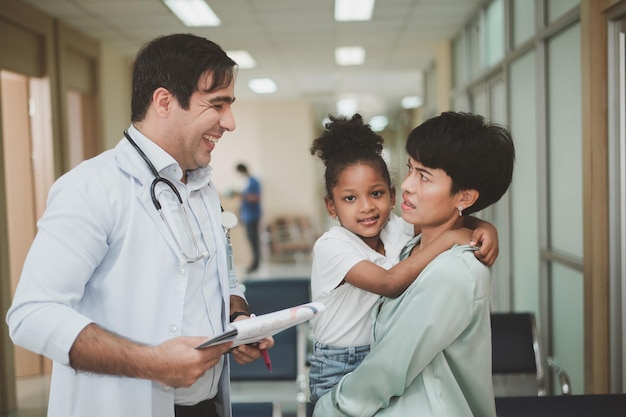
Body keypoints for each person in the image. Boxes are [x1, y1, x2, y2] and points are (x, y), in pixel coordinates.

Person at [5, 33, 273, 417]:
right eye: (217, 105)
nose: (229, 122)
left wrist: (238, 320)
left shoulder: (201, 186)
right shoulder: (92, 187)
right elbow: (31, 315)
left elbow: (220, 278)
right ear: (164, 101)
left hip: (207, 405)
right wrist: (152, 362)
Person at [313, 111, 515, 416]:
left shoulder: (452, 271)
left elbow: (387, 370)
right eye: (410, 169)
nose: (407, 186)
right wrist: (472, 228)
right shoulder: (411, 245)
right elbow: (391, 281)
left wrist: (328, 409)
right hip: (347, 374)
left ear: (465, 196)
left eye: (424, 176)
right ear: (332, 205)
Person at [235, 163, 262, 273]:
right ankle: (253, 262)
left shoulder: (254, 181)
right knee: (250, 240)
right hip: (246, 215)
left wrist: (242, 195)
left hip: (253, 215)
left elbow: (256, 198)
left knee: (254, 240)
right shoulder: (245, 182)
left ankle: (256, 263)